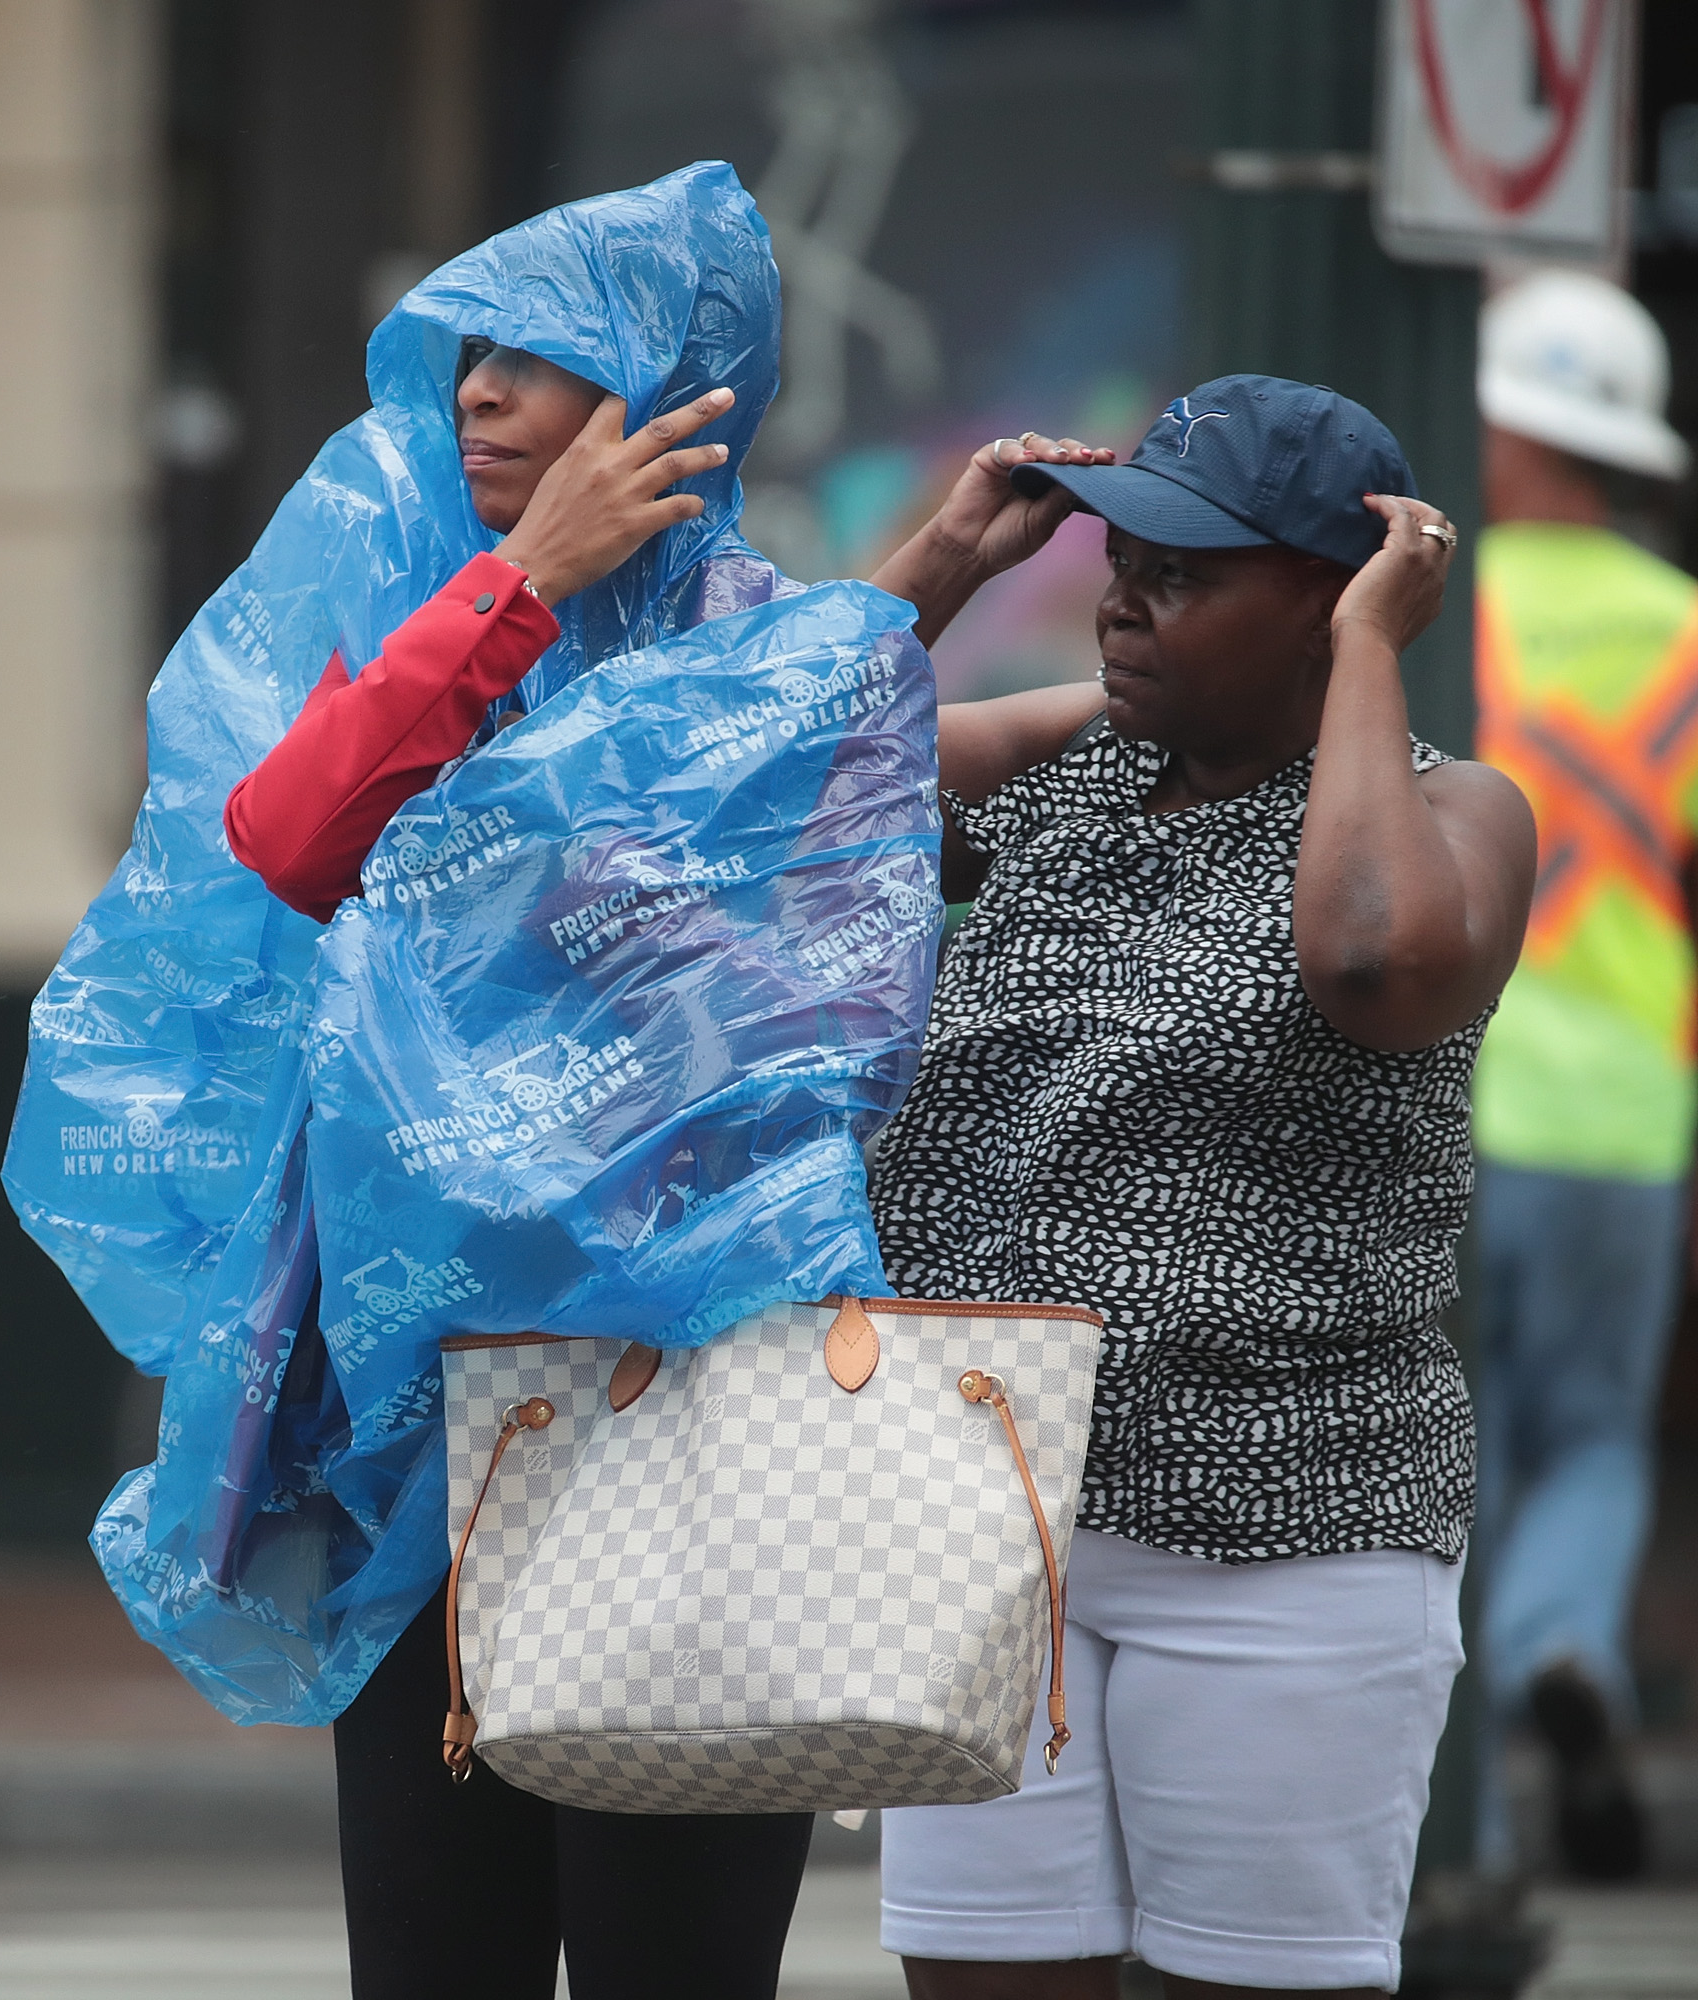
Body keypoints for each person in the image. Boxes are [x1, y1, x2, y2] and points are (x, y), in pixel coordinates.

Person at [223, 335, 1119, 1994]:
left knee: (678, 1961)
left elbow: (760, 751)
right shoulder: (446, 615)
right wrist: (531, 577)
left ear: (671, 396)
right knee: (432, 1955)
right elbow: (294, 835)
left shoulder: (756, 638)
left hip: (706, 1425)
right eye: (468, 368)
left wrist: (949, 589)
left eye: (534, 364)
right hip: (427, 1433)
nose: (478, 398)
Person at [863, 378, 1533, 1997]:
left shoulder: (1458, 812)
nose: (1126, 598)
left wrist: (1374, 657)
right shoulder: (1068, 759)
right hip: (981, 1524)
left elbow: (1376, 960)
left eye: (1191, 570)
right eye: (1124, 555)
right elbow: (740, 781)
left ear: (1333, 593)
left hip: (1286, 1532)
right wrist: (949, 556)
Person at [1465, 268, 1697, 1883]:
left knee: (1445, 1451)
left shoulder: (1436, 603)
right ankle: (1567, 1649)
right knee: (1599, 1437)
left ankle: (1462, 1824)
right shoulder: (1688, 635)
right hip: (1631, 1115)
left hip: (1464, 1093)